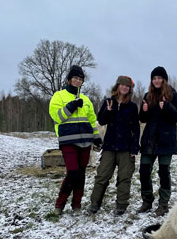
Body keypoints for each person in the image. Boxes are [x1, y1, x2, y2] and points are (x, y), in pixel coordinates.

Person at [49, 65, 102, 215]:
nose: (78, 81)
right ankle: (59, 204)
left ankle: (76, 204)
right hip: (68, 141)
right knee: (72, 172)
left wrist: (96, 136)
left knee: (81, 173)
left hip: (85, 141)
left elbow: (92, 121)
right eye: (75, 78)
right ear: (69, 79)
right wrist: (71, 106)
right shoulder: (58, 96)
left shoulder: (86, 100)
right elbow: (57, 117)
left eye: (80, 79)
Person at [88, 76, 140, 215]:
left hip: (126, 148)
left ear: (130, 89)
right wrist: (108, 111)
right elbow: (102, 121)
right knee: (102, 176)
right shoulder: (108, 102)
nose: (124, 87)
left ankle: (121, 205)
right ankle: (95, 203)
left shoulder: (132, 106)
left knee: (124, 178)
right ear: (117, 86)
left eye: (127, 86)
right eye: (122, 85)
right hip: (109, 147)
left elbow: (136, 127)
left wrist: (135, 146)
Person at [138, 66, 177, 216]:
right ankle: (147, 200)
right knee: (144, 171)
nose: (156, 80)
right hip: (149, 140)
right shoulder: (147, 95)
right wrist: (143, 111)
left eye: (159, 78)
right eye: (154, 78)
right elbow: (143, 119)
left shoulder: (173, 95)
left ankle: (163, 204)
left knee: (164, 172)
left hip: (166, 140)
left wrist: (168, 107)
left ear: (164, 80)